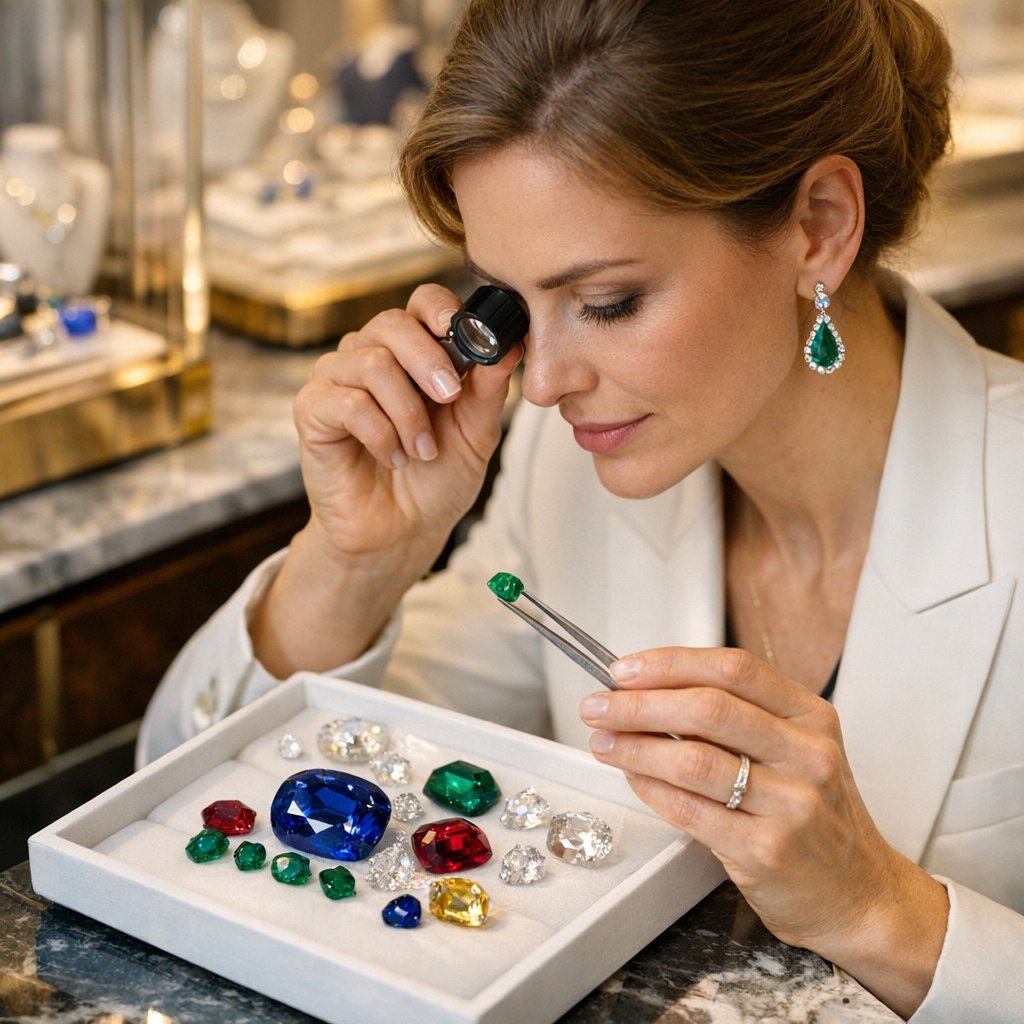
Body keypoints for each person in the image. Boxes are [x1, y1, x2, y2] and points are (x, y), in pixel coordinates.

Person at [139, 1, 1024, 1019]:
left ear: (818, 226)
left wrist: (877, 907)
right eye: (510, 302)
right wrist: (355, 560)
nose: (545, 381)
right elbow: (184, 809)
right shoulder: (569, 473)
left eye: (605, 302)